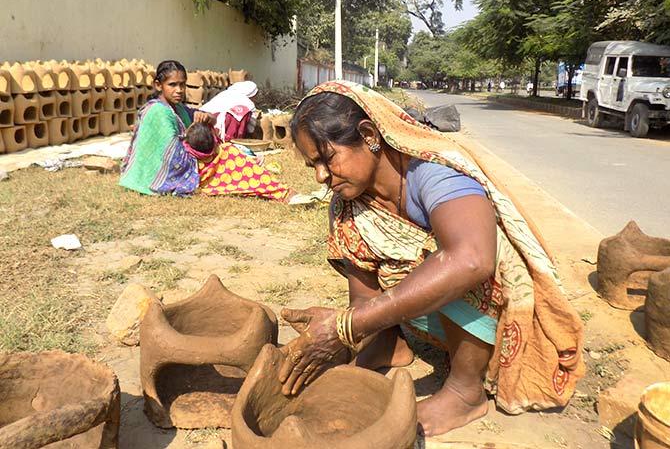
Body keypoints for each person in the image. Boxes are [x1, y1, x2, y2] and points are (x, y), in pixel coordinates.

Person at [277, 80, 585, 436]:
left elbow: (473, 259)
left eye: (328, 159)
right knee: (377, 254)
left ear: (369, 135)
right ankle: (389, 345)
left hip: (493, 309)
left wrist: (347, 325)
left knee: (451, 257)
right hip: (430, 315)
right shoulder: (349, 203)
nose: (321, 177)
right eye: (312, 165)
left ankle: (465, 390)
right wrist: (343, 339)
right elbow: (363, 301)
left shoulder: (434, 170)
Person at [119, 60, 212, 195]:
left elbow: (210, 118)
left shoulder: (179, 108)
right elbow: (173, 153)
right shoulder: (158, 111)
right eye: (172, 85)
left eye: (182, 85)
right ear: (158, 85)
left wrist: (206, 117)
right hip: (160, 172)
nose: (179, 90)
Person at [183, 122, 290, 200]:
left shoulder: (184, 156)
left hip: (206, 186)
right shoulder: (228, 151)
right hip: (247, 181)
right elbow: (251, 170)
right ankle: (285, 193)